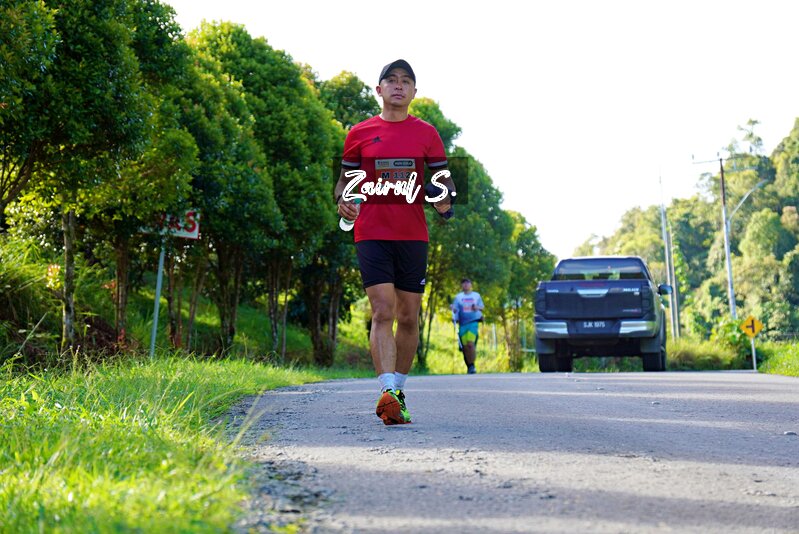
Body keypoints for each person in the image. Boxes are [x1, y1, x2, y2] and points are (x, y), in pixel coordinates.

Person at [334, 59, 455, 425]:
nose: (399, 85)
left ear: (414, 91)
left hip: (412, 234)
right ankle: (387, 390)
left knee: (408, 315)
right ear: (379, 89)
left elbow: (445, 183)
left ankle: (398, 391)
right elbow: (344, 182)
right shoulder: (359, 133)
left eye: (406, 81)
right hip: (371, 232)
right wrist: (341, 200)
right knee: (383, 310)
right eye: (391, 80)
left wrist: (445, 202)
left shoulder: (427, 134)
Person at [451, 278, 484, 374]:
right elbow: (455, 309)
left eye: (467, 283)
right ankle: (470, 366)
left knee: (470, 343)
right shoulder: (458, 297)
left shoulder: (476, 296)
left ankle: (472, 365)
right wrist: (453, 313)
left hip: (473, 322)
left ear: (471, 285)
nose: (465, 285)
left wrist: (476, 307)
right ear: (461, 285)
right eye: (463, 283)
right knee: (465, 347)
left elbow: (482, 307)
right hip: (462, 324)